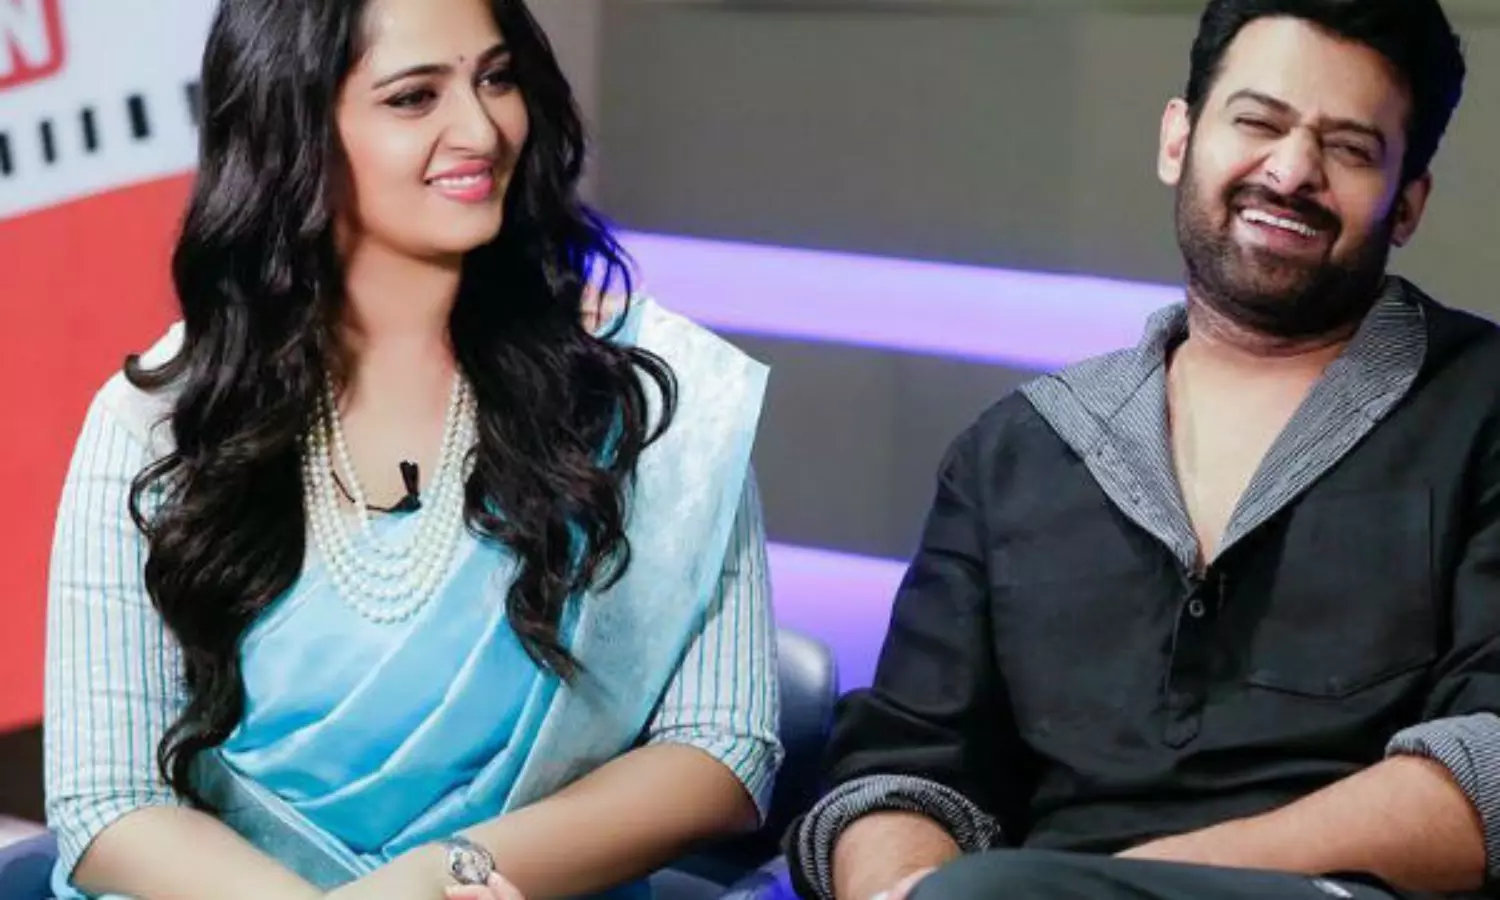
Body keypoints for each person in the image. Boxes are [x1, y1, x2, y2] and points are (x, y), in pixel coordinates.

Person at [43, 0, 781, 898]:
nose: (481, 129)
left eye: (496, 79)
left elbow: (723, 749)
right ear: (293, 129)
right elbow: (106, 800)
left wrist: (448, 875)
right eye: (413, 97)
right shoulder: (161, 422)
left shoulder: (648, 398)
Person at [786, 1, 1494, 899]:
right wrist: (901, 884)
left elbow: (1489, 765)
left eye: (1349, 149)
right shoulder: (1018, 450)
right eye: (1258, 123)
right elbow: (902, 769)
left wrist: (1094, 889)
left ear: (1408, 206)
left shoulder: (1480, 407)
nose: (1290, 172)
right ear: (1178, 140)